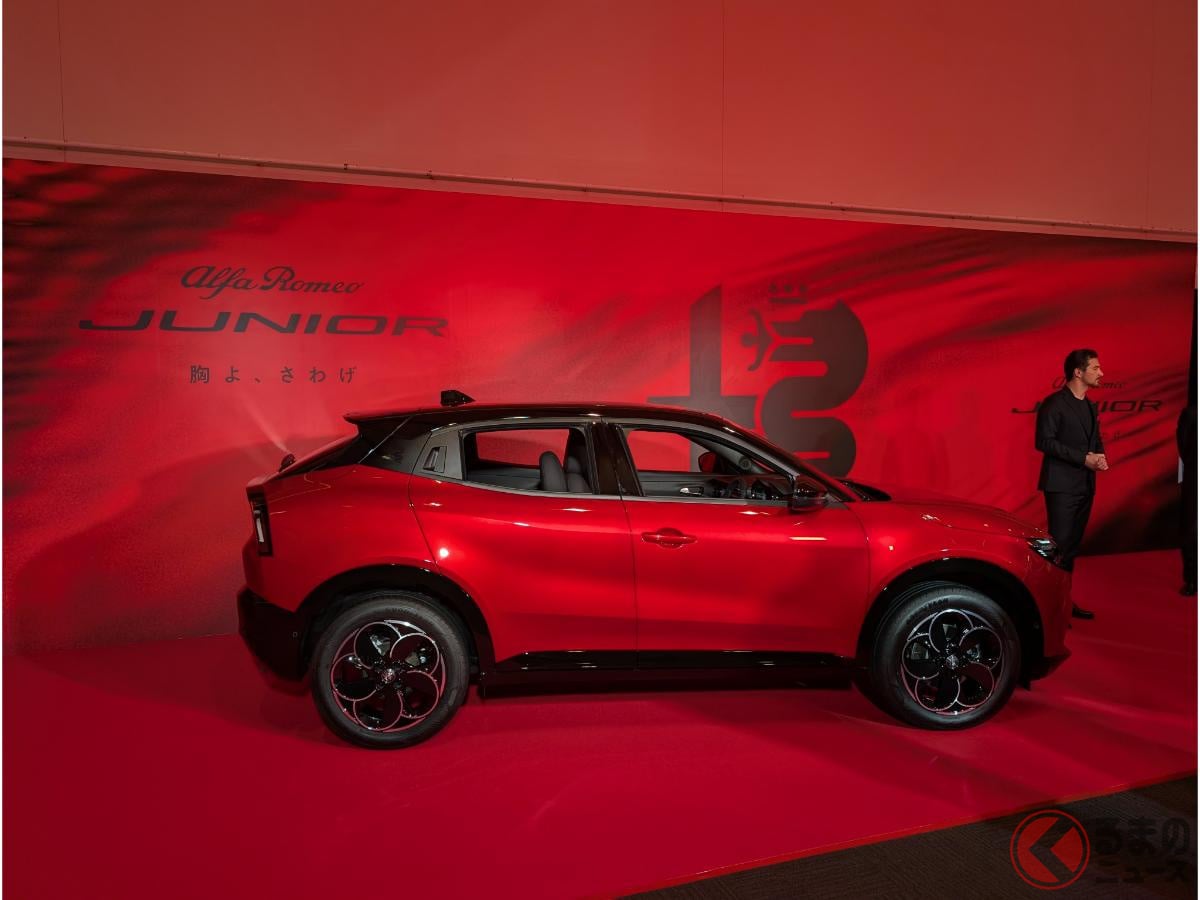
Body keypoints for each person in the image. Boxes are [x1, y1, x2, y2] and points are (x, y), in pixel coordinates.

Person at [1035, 349, 1108, 619]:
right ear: (1078, 372)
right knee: (1060, 548)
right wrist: (1083, 458)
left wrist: (1100, 457)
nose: (1101, 373)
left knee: (1072, 548)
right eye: (1096, 368)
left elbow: (1095, 439)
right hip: (1061, 486)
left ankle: (1063, 601)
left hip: (1085, 485)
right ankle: (1050, 605)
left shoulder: (1089, 405)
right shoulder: (1054, 404)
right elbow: (1044, 441)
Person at [1177, 405, 1196, 596]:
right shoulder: (1191, 413)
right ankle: (1191, 579)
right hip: (1194, 477)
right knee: (1191, 528)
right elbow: (1183, 445)